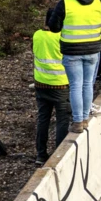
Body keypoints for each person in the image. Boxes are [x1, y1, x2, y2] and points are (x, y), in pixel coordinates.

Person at [46, 0, 101, 132]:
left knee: (76, 86)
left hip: (72, 51)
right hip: (93, 50)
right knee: (87, 84)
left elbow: (54, 27)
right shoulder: (98, 2)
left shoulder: (65, 3)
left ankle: (77, 122)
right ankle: (85, 118)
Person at [33, 11, 71, 162]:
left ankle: (40, 155)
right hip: (60, 85)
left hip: (40, 83)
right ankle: (58, 156)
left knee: (43, 119)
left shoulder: (37, 35)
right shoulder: (62, 37)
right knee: (62, 119)